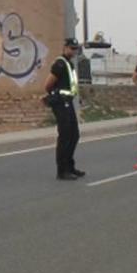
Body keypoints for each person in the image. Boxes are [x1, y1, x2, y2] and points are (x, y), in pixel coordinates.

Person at [43, 38, 84, 181]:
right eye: (71, 48)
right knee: (65, 136)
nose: (74, 51)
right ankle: (62, 171)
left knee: (74, 135)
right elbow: (48, 84)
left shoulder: (69, 64)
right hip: (61, 103)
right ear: (65, 47)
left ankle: (70, 166)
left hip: (68, 102)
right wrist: (56, 95)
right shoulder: (60, 64)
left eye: (75, 48)